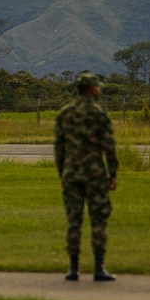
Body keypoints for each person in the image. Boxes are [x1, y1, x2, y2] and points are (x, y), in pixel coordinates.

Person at [54, 72, 120, 282]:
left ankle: (73, 269)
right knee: (98, 220)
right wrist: (113, 173)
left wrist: (62, 172)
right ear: (92, 89)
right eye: (97, 87)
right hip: (94, 174)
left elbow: (59, 147)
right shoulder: (98, 113)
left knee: (74, 220)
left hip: (72, 174)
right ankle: (99, 268)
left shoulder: (66, 112)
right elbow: (109, 146)